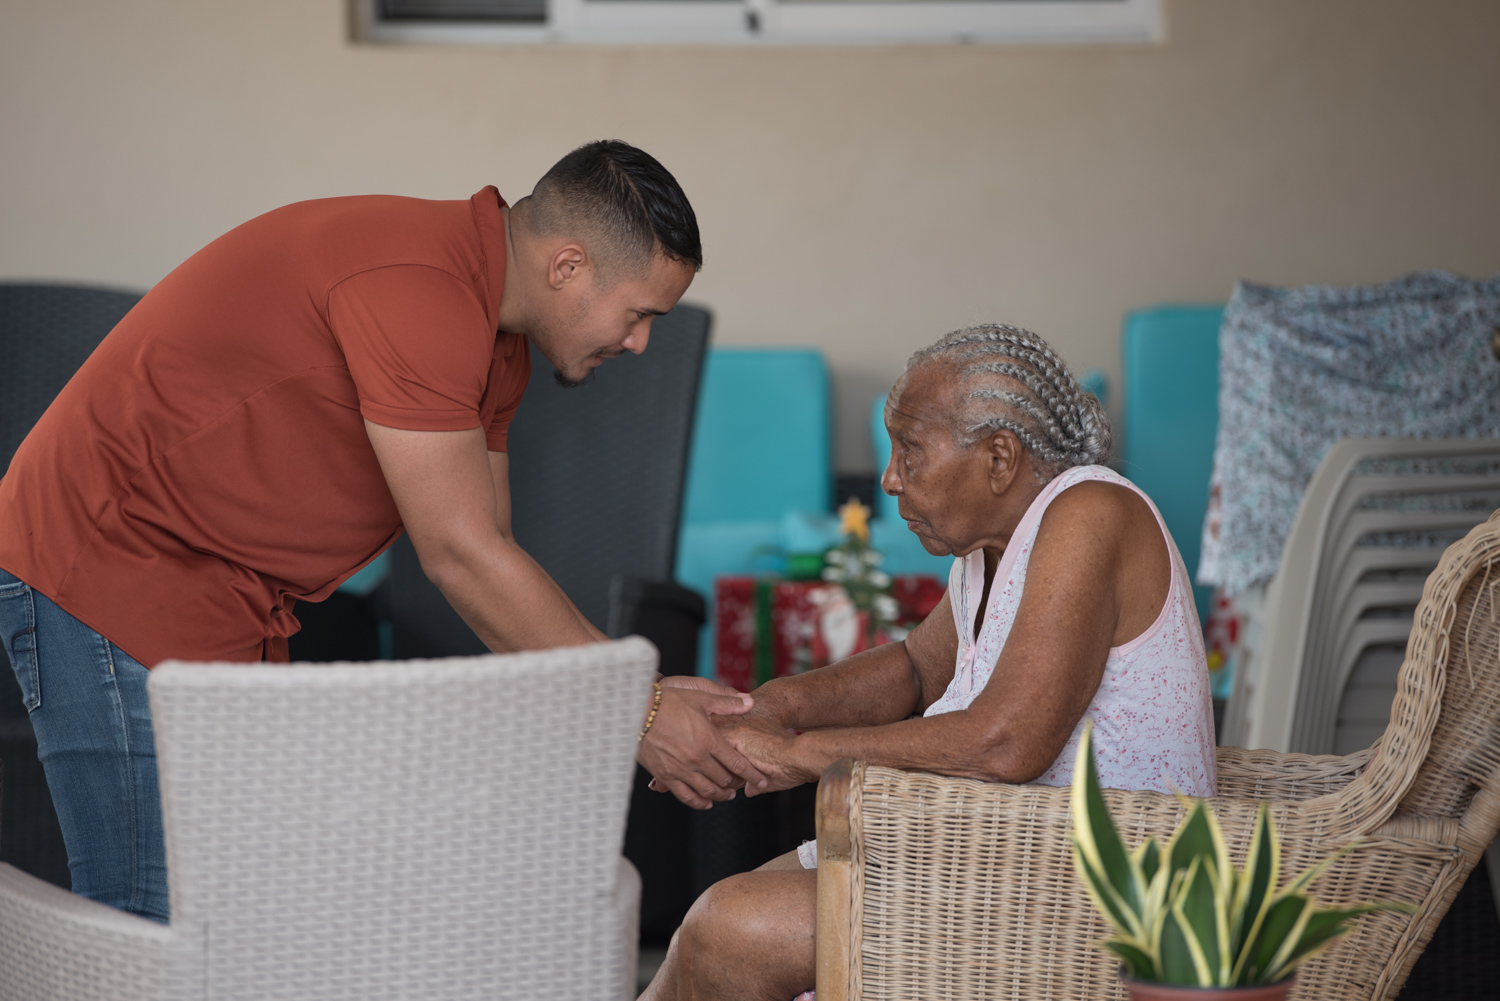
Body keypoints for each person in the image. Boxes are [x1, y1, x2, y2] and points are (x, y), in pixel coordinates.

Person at [0, 140, 765, 923]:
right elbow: (459, 555)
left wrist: (643, 694)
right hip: (109, 558)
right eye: (640, 314)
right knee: (154, 917)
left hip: (225, 593)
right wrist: (636, 705)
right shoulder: (421, 290)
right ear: (568, 266)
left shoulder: (499, 346)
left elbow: (493, 555)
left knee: (239, 912)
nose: (639, 343)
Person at [640, 324, 1217, 1001]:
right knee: (704, 931)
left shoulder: (1092, 511)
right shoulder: (989, 551)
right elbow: (915, 668)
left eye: (910, 451)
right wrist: (768, 707)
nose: (888, 479)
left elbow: (1007, 740)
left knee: (728, 930)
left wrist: (798, 755)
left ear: (999, 458)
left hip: (1098, 895)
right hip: (1004, 860)